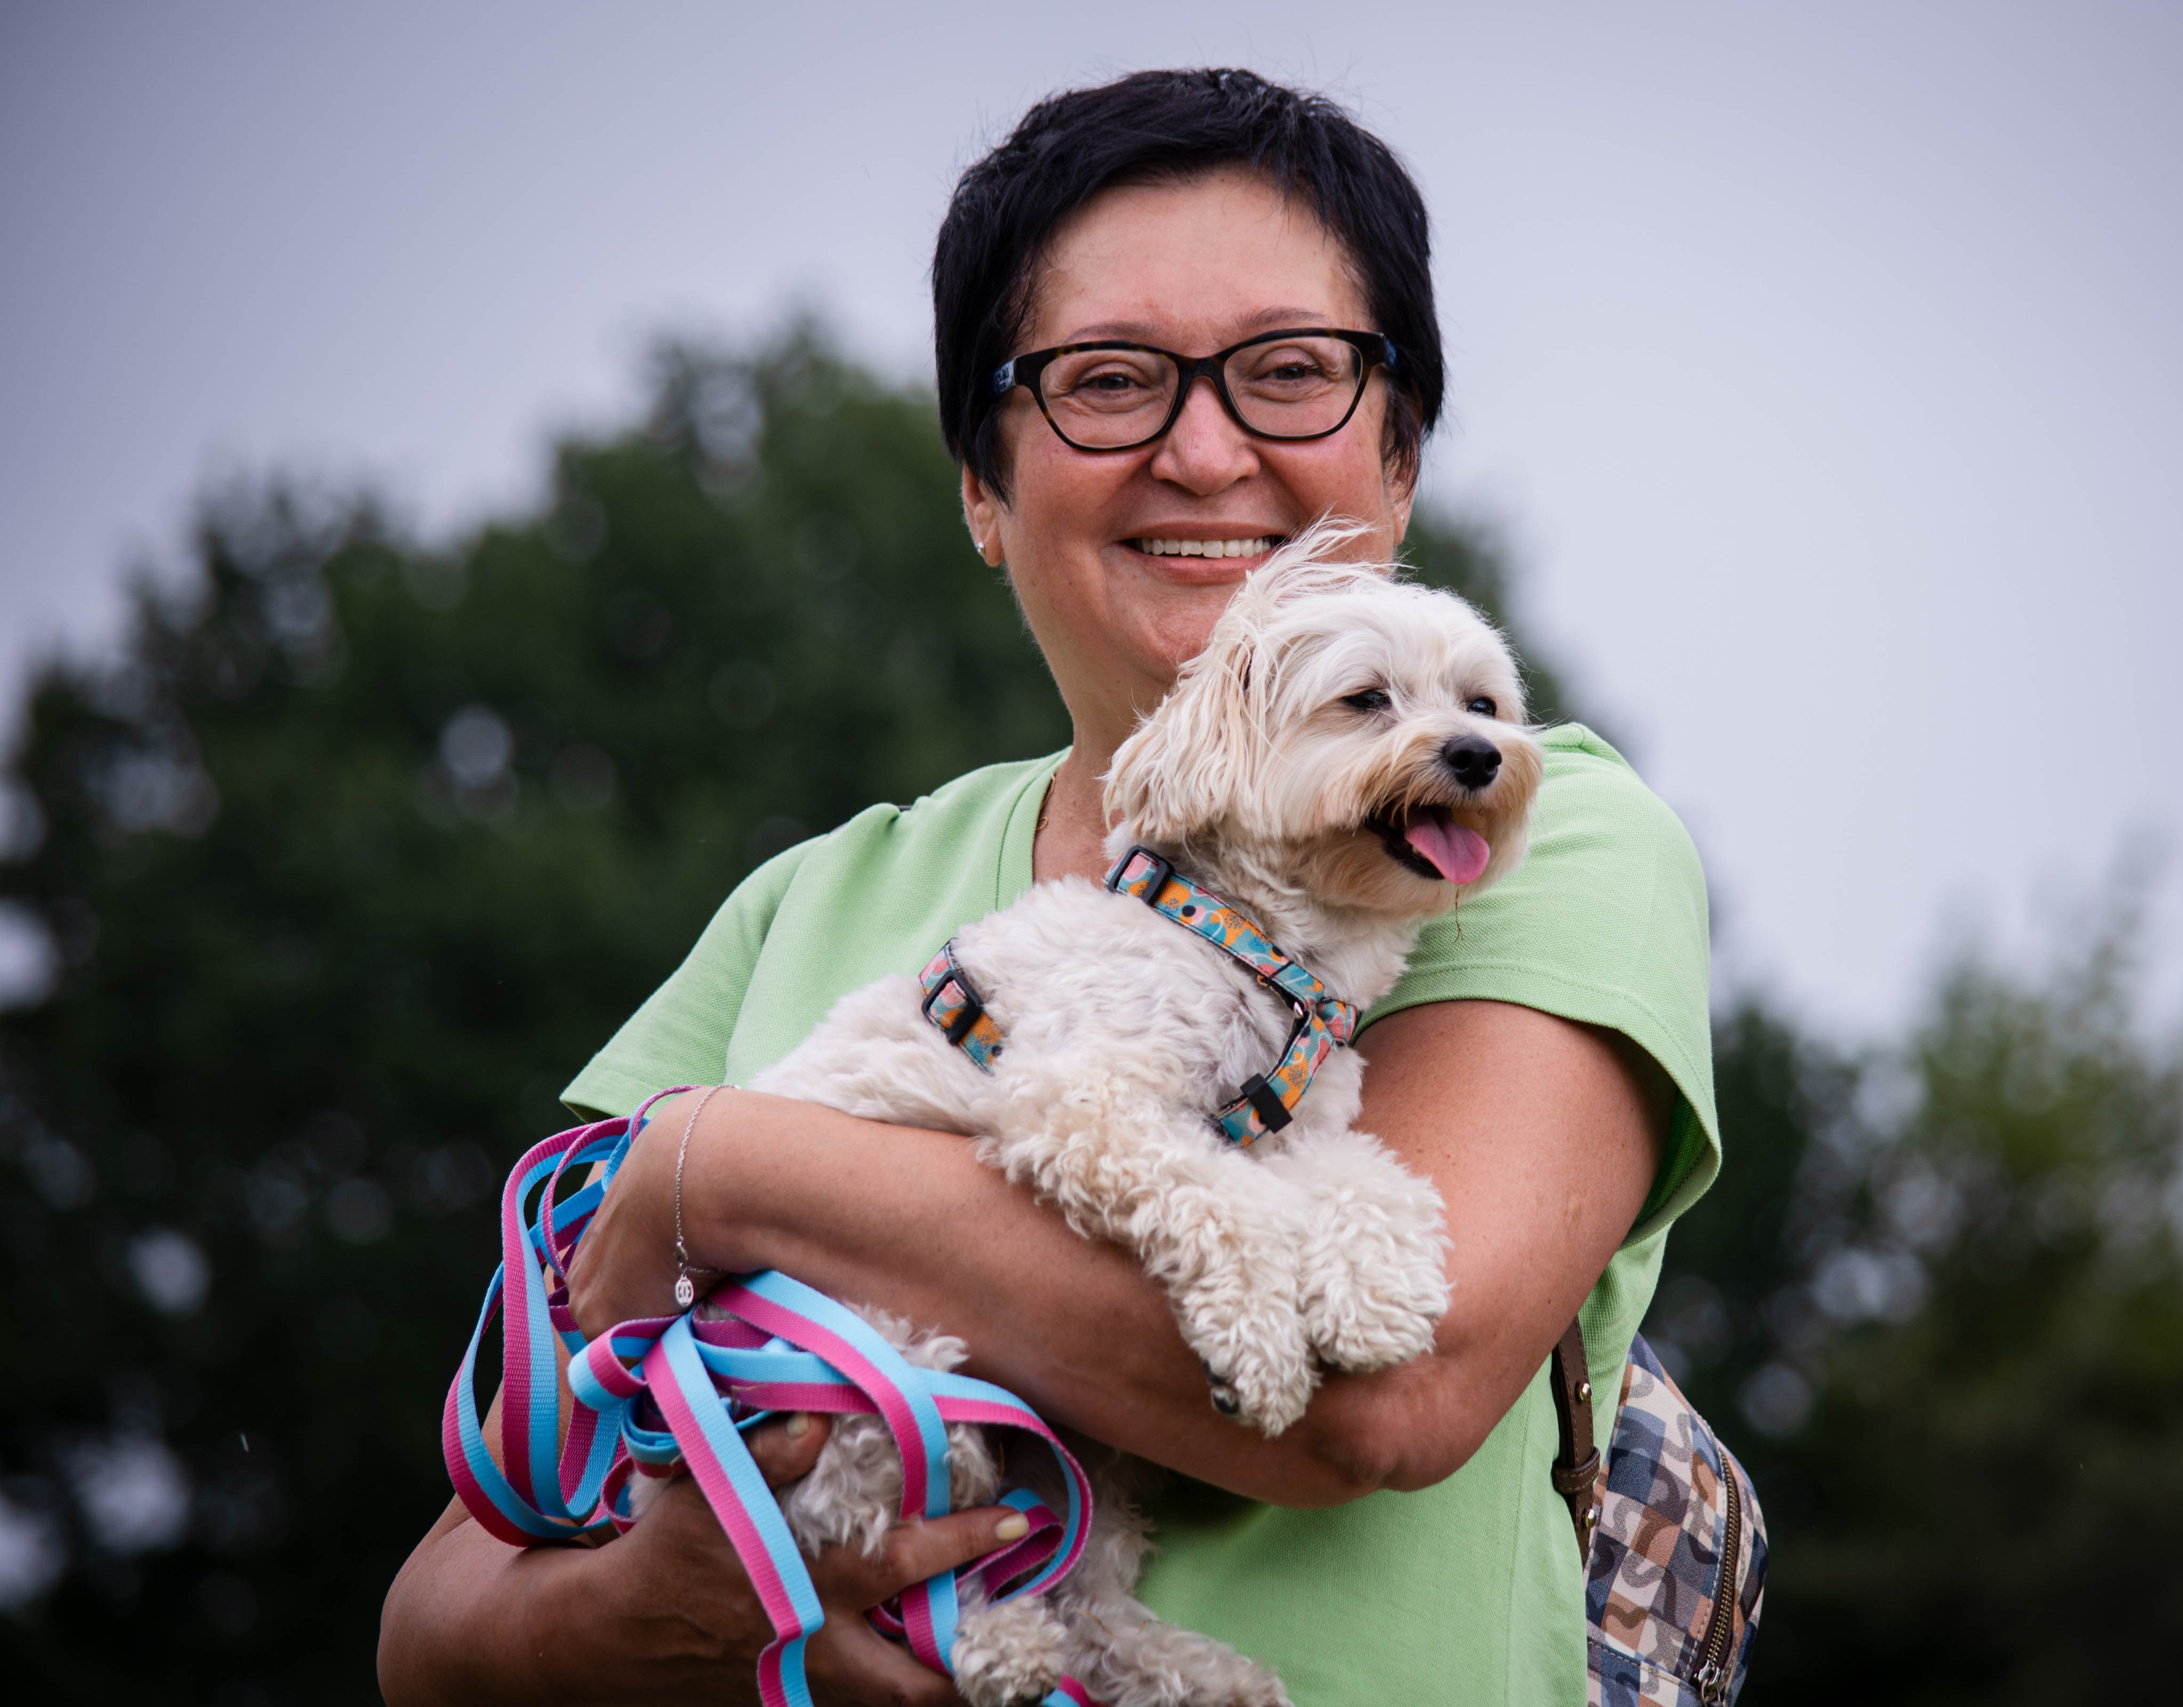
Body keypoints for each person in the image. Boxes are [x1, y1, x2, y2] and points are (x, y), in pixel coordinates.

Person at [379, 68, 1717, 1707]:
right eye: (1109, 383)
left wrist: (720, 1170)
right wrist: (658, 1609)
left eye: (1290, 374)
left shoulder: (1527, 833)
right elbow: (443, 1616)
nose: (1208, 449)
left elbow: (1385, 1393)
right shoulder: (805, 899)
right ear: (980, 491)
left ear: (1403, 456)